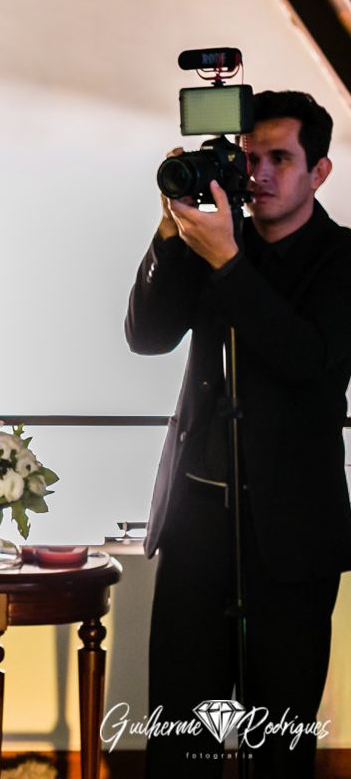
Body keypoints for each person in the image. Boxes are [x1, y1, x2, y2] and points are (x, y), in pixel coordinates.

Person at [126, 91, 351, 777]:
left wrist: (228, 262)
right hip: (197, 517)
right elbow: (146, 336)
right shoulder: (214, 237)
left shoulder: (342, 259)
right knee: (177, 733)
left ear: (320, 172)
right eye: (249, 157)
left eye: (281, 158)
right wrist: (172, 231)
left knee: (278, 738)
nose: (260, 173)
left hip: (290, 531)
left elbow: (310, 362)